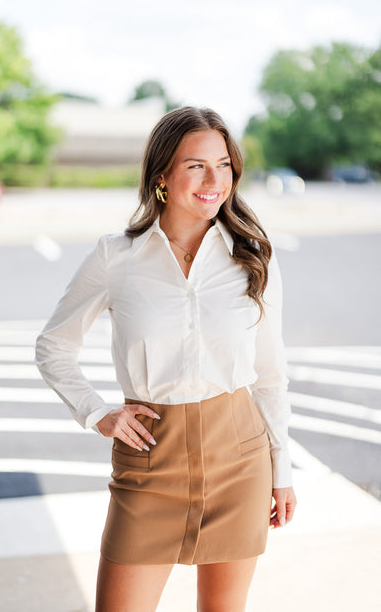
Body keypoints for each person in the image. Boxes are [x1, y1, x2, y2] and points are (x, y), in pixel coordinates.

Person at [35, 106, 297, 612]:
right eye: (195, 165)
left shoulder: (254, 255)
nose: (213, 179)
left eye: (223, 164)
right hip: (149, 465)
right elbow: (54, 344)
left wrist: (280, 469)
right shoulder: (117, 257)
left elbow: (269, 375)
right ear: (162, 175)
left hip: (240, 460)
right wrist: (96, 412)